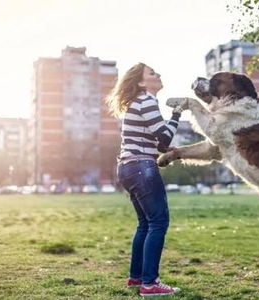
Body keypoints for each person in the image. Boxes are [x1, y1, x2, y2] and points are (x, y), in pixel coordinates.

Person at [105, 62, 183, 297]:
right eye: (152, 73)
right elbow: (164, 138)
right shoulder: (147, 100)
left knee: (145, 224)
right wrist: (178, 113)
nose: (158, 74)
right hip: (142, 167)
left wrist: (168, 144)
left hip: (127, 167)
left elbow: (160, 142)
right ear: (141, 82)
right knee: (158, 223)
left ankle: (136, 278)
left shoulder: (137, 103)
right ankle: (150, 284)